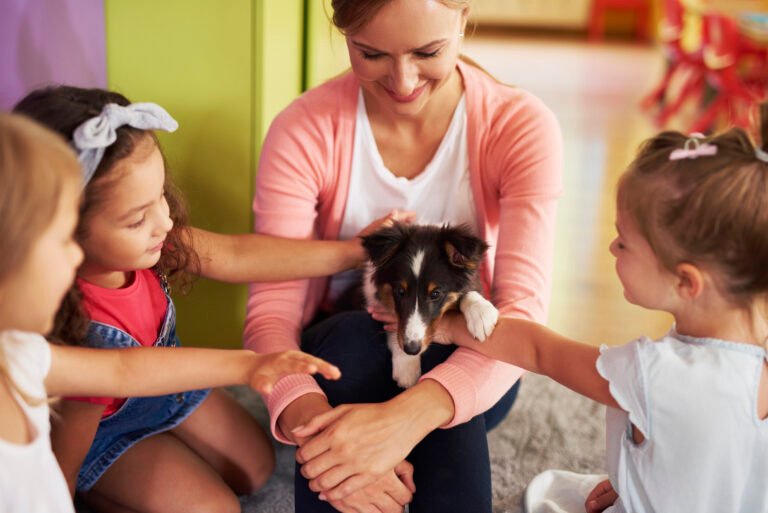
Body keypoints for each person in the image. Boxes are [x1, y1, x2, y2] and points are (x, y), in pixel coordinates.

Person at [12, 86, 397, 513]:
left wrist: (350, 251)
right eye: (137, 218)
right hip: (106, 432)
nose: (164, 221)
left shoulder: (155, 243)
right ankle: (105, 492)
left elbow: (239, 255)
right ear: (66, 228)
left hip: (169, 389)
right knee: (218, 509)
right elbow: (80, 434)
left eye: (160, 195)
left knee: (257, 469)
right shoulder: (71, 322)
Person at [244, 0, 562, 511]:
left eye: (428, 52)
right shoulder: (304, 129)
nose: (403, 81)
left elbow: (521, 314)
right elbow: (271, 316)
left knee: (439, 343)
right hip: (339, 356)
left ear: (464, 17)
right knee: (354, 337)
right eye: (370, 54)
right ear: (343, 31)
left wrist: (407, 418)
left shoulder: (518, 127)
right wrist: (315, 430)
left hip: (473, 361)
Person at [436, 112, 768, 512]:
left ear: (687, 282)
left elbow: (539, 350)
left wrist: (451, 324)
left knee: (543, 497)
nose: (612, 248)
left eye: (623, 243)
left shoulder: (653, 373)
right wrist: (639, 480)